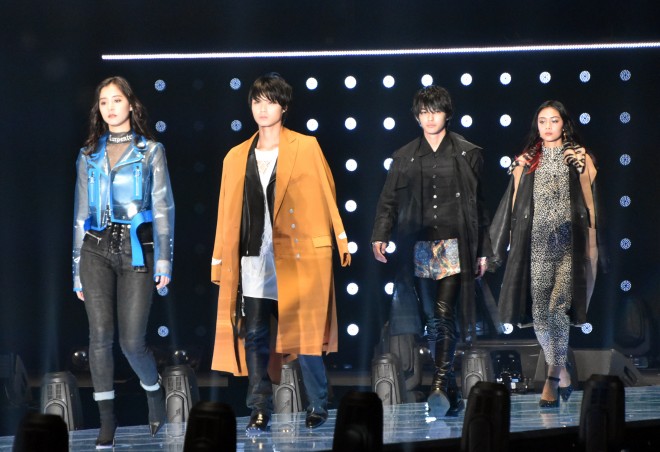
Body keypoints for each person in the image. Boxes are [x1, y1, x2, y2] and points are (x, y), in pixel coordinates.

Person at [210, 73, 351, 432]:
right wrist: (219, 260)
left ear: (284, 107)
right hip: (253, 257)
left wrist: (338, 239)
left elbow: (327, 194)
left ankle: (317, 402)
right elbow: (226, 212)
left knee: (304, 336)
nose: (262, 108)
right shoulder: (236, 156)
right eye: (257, 101)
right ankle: (259, 407)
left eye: (270, 101)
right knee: (255, 335)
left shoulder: (306, 146)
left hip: (297, 257)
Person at [371, 85, 491, 417]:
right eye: (423, 113)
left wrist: (483, 250)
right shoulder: (405, 156)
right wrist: (380, 234)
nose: (429, 118)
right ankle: (449, 389)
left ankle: (437, 383)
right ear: (416, 117)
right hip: (421, 244)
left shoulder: (467, 153)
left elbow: (479, 205)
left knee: (442, 314)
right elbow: (388, 201)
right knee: (432, 321)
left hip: (455, 243)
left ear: (447, 114)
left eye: (435, 111)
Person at [72, 76, 175, 448]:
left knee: (132, 342)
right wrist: (76, 270)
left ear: (131, 104)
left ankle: (153, 390)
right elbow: (80, 214)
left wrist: (164, 261)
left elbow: (163, 208)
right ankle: (107, 420)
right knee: (99, 337)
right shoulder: (89, 154)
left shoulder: (151, 151)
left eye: (116, 100)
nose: (110, 107)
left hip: (136, 248)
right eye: (104, 102)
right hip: (95, 248)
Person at [489, 100, 605, 407]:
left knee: (557, 311)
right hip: (536, 247)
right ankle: (562, 369)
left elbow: (591, 204)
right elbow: (513, 206)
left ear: (564, 124)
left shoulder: (579, 158)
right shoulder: (527, 161)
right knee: (539, 315)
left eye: (554, 120)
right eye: (542, 121)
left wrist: (595, 242)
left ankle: (552, 378)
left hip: (569, 246)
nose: (548, 126)